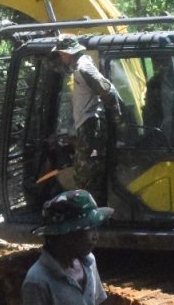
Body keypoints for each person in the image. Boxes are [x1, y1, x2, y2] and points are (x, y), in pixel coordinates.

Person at [51, 35, 121, 200]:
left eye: (61, 54)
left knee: (85, 178)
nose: (61, 58)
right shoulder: (77, 66)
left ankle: (91, 216)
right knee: (84, 175)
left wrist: (118, 118)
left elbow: (107, 90)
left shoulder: (84, 67)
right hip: (86, 126)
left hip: (90, 127)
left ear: (68, 53)